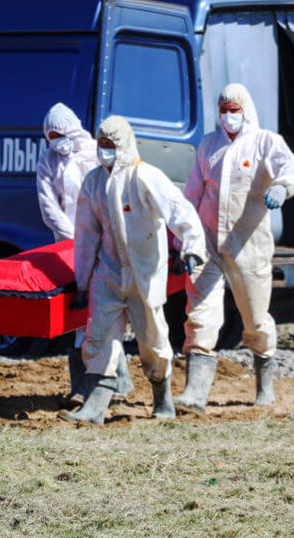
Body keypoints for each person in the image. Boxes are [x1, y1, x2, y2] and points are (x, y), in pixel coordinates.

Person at [64, 116, 206, 425]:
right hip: (109, 274)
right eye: (100, 145)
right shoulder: (94, 181)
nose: (104, 152)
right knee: (98, 337)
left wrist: (192, 247)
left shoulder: (145, 177)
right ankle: (95, 406)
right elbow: (86, 236)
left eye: (110, 146)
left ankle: (163, 402)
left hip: (145, 275)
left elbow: (180, 211)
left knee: (152, 341)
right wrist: (83, 283)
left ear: (123, 145)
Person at [178, 83, 294, 414]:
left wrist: (281, 185)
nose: (228, 116)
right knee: (200, 314)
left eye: (234, 110)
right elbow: (192, 195)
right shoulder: (208, 145)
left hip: (248, 245)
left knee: (255, 319)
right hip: (208, 245)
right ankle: (194, 393)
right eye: (224, 110)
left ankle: (265, 385)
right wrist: (184, 241)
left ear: (245, 110)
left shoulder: (265, 142)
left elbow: (291, 167)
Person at [36, 103, 133, 408]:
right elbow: (48, 205)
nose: (56, 141)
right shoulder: (48, 162)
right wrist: (75, 237)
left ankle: (116, 383)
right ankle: (84, 384)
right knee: (78, 311)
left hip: (104, 243)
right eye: (50, 136)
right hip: (69, 245)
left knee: (105, 310)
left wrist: (95, 237)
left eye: (60, 134)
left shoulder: (95, 153)